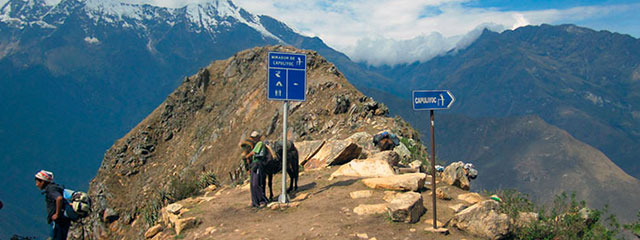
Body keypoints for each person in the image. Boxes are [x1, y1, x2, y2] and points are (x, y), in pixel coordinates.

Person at [35, 170, 70, 240]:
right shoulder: (55, 187)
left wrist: (57, 214)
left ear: (43, 181)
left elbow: (59, 198)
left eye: (37, 182)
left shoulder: (51, 189)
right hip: (62, 221)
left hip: (58, 222)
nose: (36, 184)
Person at [245, 131, 269, 208]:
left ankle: (261, 200)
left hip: (258, 164)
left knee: (256, 183)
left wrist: (247, 156)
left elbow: (253, 152)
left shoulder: (259, 144)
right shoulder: (256, 144)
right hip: (254, 165)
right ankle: (255, 201)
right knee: (253, 184)